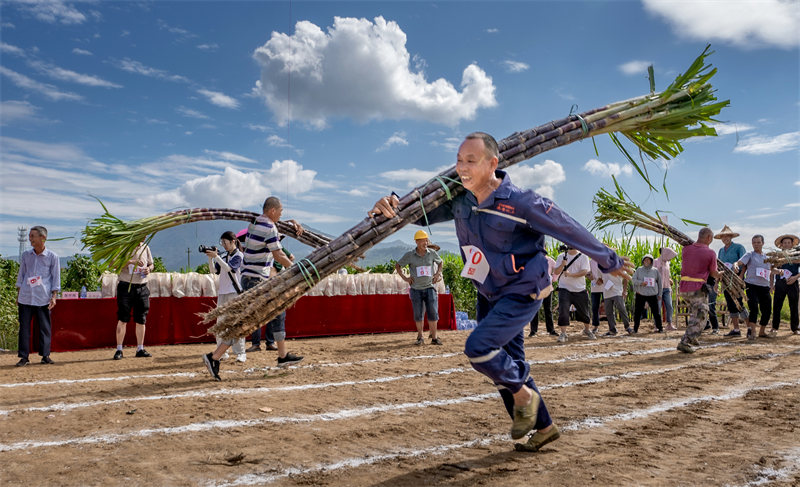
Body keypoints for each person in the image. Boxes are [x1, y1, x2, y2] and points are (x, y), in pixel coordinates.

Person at [368, 132, 630, 453]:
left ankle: (524, 398)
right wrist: (390, 202)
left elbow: (567, 227)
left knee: (480, 348)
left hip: (521, 290)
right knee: (507, 361)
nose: (461, 168)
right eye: (459, 160)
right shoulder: (459, 200)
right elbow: (413, 211)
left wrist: (608, 259)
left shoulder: (522, 202)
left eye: (471, 161)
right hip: (486, 290)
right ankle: (545, 426)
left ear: (493, 164)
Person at [203, 196, 304, 379]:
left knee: (276, 312)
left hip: (251, 279)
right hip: (257, 280)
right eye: (280, 212)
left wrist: (292, 223)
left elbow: (274, 230)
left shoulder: (255, 223)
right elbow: (279, 254)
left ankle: (282, 356)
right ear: (272, 211)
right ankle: (214, 357)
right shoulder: (269, 227)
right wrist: (296, 270)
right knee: (247, 323)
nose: (281, 215)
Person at [201, 232, 246, 380]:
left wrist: (217, 257)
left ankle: (240, 352)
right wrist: (210, 257)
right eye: (222, 243)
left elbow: (229, 269)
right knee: (220, 323)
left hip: (235, 293)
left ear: (233, 241)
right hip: (223, 293)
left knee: (236, 323)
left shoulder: (239, 255)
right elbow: (214, 271)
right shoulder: (224, 256)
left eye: (226, 243)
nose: (224, 246)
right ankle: (222, 351)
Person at [15, 226, 60, 367]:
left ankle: (45, 355)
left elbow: (55, 278)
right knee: (24, 328)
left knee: (45, 327)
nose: (30, 239)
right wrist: (18, 295)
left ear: (43, 237)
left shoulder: (53, 257)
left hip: (43, 298)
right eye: (29, 236)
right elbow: (21, 275)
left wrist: (54, 296)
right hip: (26, 297)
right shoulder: (26, 255)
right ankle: (23, 357)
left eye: (33, 236)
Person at [395, 230, 444, 345]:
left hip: (430, 287)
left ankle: (434, 338)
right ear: (416, 242)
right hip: (416, 289)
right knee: (418, 314)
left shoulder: (432, 253)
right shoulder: (409, 255)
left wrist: (437, 274)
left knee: (433, 312)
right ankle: (420, 337)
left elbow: (440, 262)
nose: (425, 243)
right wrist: (405, 278)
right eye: (422, 241)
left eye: (426, 240)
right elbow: (398, 265)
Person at [676, 228, 721, 353]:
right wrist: (719, 274)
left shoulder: (685, 249)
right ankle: (685, 341)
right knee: (700, 316)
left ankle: (693, 337)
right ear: (709, 238)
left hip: (684, 289)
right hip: (697, 289)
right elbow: (713, 272)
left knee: (694, 314)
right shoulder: (710, 253)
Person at [247, 239, 293, 353]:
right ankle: (257, 344)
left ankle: (270, 342)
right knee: (257, 315)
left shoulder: (279, 249)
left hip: (274, 284)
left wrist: (278, 265)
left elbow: (291, 257)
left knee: (274, 315)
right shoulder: (261, 250)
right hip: (263, 283)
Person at [113, 239, 154, 360]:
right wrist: (132, 262)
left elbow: (151, 264)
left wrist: (149, 269)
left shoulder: (145, 247)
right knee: (123, 318)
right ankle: (119, 349)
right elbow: (113, 264)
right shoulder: (123, 246)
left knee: (141, 319)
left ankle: (140, 348)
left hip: (142, 287)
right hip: (126, 287)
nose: (144, 237)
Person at [734, 235, 774, 340]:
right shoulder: (750, 255)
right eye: (754, 243)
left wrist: (778, 273)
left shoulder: (768, 257)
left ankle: (762, 331)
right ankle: (752, 332)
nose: (756, 244)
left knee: (767, 310)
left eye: (758, 242)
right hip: (751, 286)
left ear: (763, 243)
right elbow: (739, 262)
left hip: (764, 287)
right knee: (754, 308)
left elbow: (773, 270)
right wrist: (735, 265)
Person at [553, 247, 595, 342]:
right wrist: (562, 265)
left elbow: (584, 272)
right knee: (563, 310)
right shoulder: (561, 256)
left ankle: (587, 330)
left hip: (579, 288)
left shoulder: (583, 257)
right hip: (564, 287)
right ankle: (563, 333)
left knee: (584, 311)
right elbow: (556, 272)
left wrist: (570, 274)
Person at [715, 225, 748, 337]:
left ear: (731, 237)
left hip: (736, 281)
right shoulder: (720, 251)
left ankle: (749, 327)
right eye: (723, 237)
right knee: (731, 305)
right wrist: (718, 282)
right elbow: (719, 267)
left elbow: (744, 263)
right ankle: (736, 329)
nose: (725, 239)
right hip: (725, 281)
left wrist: (741, 277)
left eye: (727, 236)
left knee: (739, 303)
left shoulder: (739, 248)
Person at [771, 234, 799, 335]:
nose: (787, 244)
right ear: (781, 245)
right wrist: (772, 284)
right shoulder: (777, 255)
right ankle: (775, 327)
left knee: (794, 305)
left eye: (789, 243)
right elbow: (771, 270)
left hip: (793, 282)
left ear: (792, 244)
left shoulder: (797, 255)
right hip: (780, 283)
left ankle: (795, 328)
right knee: (777, 305)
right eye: (785, 243)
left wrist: (795, 278)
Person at [601, 251, 631, 336]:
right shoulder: (602, 266)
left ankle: (627, 327)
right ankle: (612, 329)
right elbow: (599, 278)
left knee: (622, 308)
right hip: (607, 292)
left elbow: (625, 278)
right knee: (609, 311)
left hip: (618, 291)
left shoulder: (618, 265)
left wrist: (625, 290)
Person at [631, 254, 663, 333]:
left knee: (656, 312)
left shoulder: (655, 270)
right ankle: (635, 329)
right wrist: (640, 283)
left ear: (651, 261)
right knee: (638, 312)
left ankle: (660, 328)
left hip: (652, 295)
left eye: (648, 260)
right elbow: (633, 279)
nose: (646, 262)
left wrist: (660, 294)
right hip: (641, 294)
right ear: (643, 261)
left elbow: (659, 283)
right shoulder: (639, 270)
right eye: (645, 260)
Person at [529, 254, 557, 337]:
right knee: (535, 309)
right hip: (535, 289)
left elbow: (557, 270)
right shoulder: (533, 260)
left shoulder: (551, 261)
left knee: (548, 309)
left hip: (548, 288)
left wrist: (554, 278)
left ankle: (551, 330)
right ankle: (533, 330)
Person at [653, 246, 678, 330]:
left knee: (669, 306)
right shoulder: (656, 262)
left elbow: (666, 275)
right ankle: (657, 325)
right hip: (658, 288)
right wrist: (658, 268)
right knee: (658, 307)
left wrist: (669, 280)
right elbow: (652, 274)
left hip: (667, 288)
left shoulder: (667, 263)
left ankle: (669, 324)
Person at [589, 259, 605, 335]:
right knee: (595, 307)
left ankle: (612, 326)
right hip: (594, 287)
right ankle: (595, 326)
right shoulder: (591, 261)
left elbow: (610, 274)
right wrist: (589, 276)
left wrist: (602, 280)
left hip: (606, 287)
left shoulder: (606, 260)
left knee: (609, 306)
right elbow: (588, 273)